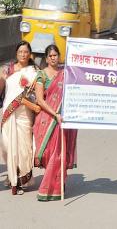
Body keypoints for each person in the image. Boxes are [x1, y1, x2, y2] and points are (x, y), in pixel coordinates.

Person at [33, 45, 77, 201]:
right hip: (47, 119)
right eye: (50, 55)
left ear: (59, 56)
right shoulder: (41, 75)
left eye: (55, 55)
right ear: (46, 58)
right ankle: (54, 180)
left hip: (61, 120)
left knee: (58, 153)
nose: (53, 58)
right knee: (47, 153)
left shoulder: (65, 74)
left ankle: (56, 185)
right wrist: (55, 114)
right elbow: (39, 99)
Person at [0, 41, 38, 195]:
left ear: (30, 54)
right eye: (20, 52)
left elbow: (38, 93)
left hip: (25, 114)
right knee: (8, 146)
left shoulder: (34, 71)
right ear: (16, 53)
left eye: (26, 52)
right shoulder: (7, 69)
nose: (23, 54)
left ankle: (20, 181)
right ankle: (12, 175)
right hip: (8, 113)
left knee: (24, 148)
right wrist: (2, 79)